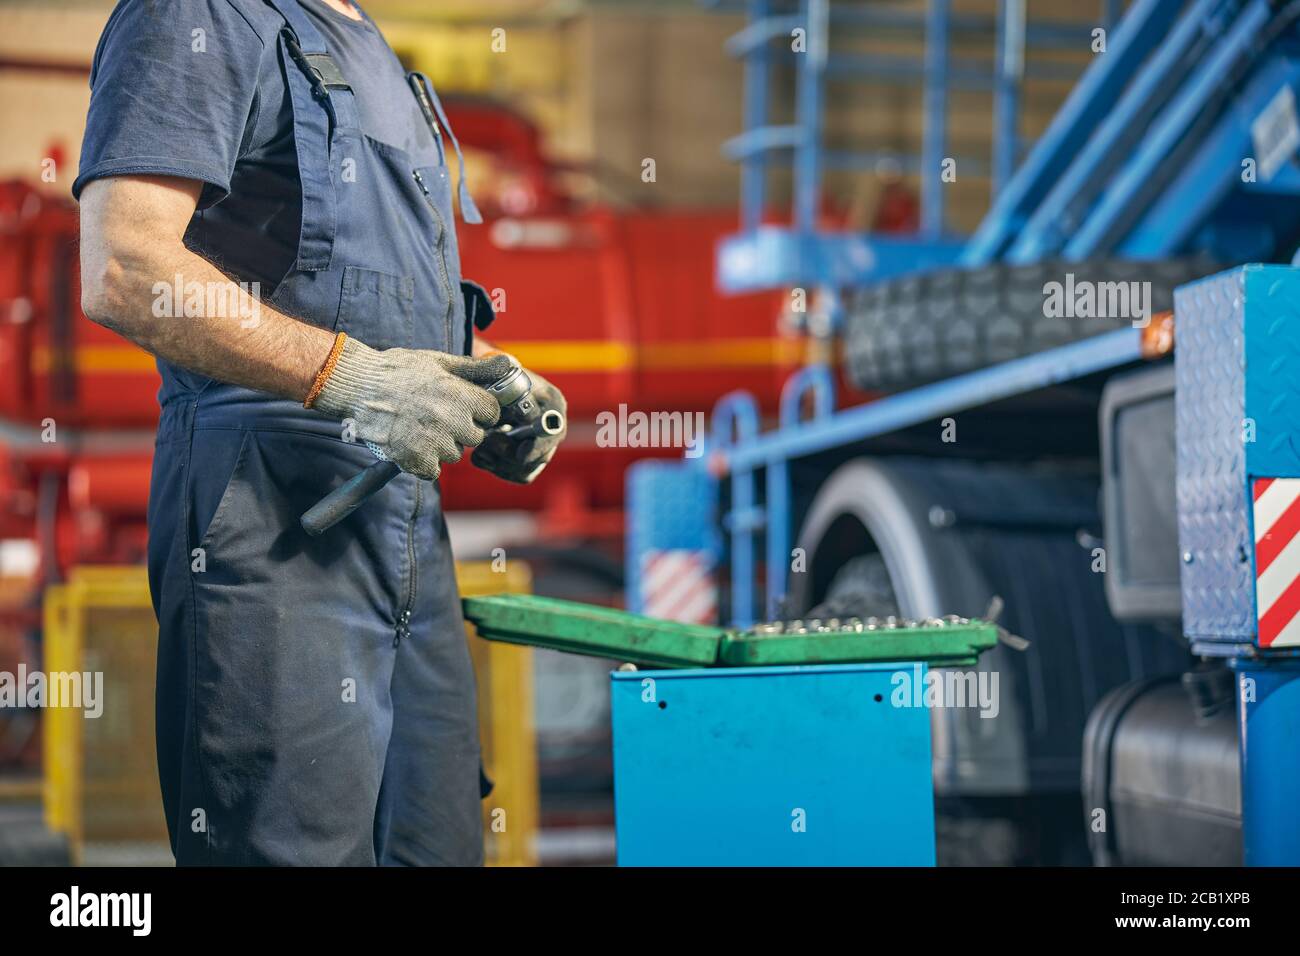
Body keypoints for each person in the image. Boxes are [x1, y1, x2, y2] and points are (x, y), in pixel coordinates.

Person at [74, 0, 566, 865]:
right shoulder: (199, 13)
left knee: (436, 842)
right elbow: (126, 264)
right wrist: (355, 379)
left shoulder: (365, 39)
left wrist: (484, 377)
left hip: (404, 518)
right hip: (269, 512)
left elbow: (364, 297)